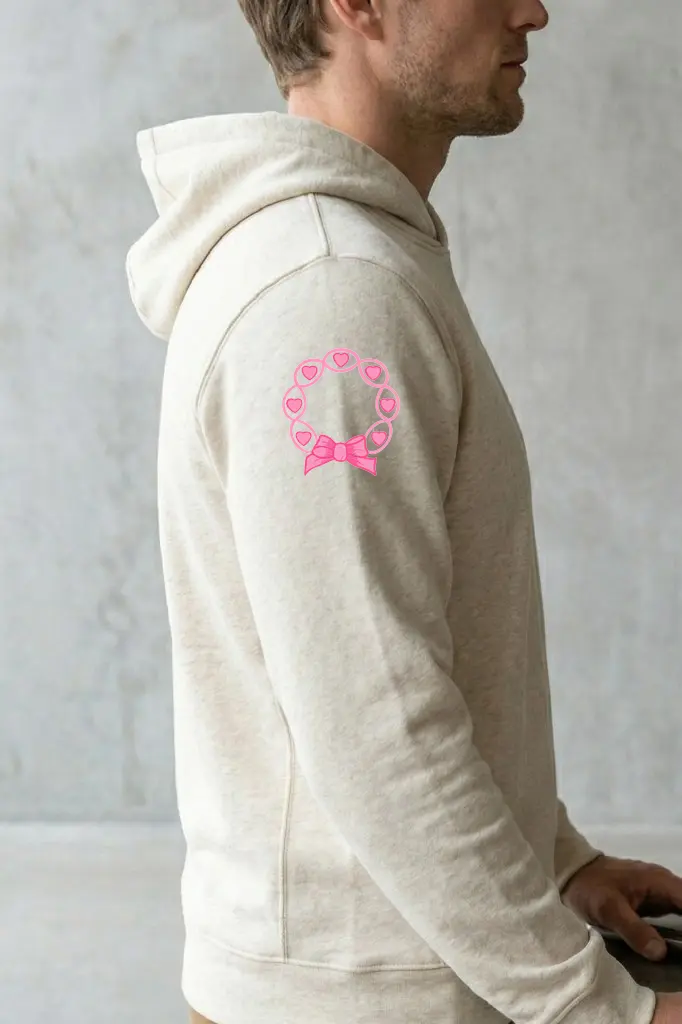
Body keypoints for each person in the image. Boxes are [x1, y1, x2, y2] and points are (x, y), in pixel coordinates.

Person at [125, 1, 682, 1022]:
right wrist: (600, 1008)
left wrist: (554, 860)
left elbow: (398, 658)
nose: (533, 10)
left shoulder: (354, 259)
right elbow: (376, 724)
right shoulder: (329, 292)